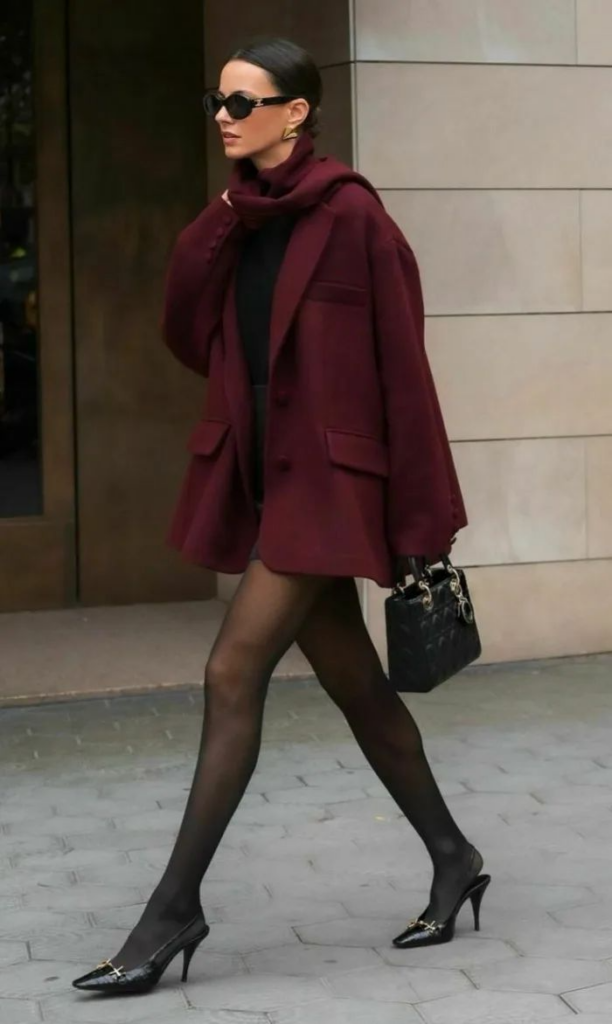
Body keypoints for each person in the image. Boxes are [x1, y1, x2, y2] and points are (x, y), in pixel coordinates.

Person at [73, 36, 490, 997]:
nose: (222, 113)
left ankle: (173, 909)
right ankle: (455, 856)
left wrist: (424, 518)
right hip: (266, 473)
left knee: (231, 670)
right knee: (356, 686)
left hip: (330, 487)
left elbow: (406, 375)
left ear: (297, 111)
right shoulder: (245, 216)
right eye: (216, 98)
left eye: (243, 100)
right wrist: (226, 211)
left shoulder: (355, 218)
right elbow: (185, 327)